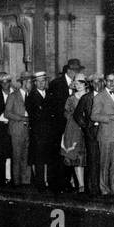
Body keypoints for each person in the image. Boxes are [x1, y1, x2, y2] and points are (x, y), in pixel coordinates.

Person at [46, 59, 84, 188]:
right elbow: (51, 107)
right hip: (59, 125)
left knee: (72, 153)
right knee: (60, 154)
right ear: (68, 70)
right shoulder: (56, 84)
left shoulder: (78, 84)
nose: (77, 73)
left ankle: (71, 181)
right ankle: (58, 183)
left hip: (73, 126)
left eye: (78, 71)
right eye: (75, 70)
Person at [91, 72, 114, 195]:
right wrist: (110, 117)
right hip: (105, 134)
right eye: (109, 80)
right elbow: (93, 116)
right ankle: (103, 188)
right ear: (105, 82)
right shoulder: (99, 97)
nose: (111, 83)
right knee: (104, 163)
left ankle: (113, 187)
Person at [60, 75, 88, 192]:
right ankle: (81, 184)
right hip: (75, 129)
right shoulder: (71, 99)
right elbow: (65, 114)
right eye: (76, 83)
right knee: (77, 156)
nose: (78, 85)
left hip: (88, 129)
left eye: (81, 82)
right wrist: (74, 119)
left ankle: (82, 181)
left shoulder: (90, 96)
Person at [26, 70, 52, 190]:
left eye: (43, 81)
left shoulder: (48, 94)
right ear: (35, 83)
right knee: (39, 158)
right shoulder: (31, 96)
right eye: (39, 81)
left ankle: (47, 181)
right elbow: (35, 114)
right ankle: (40, 183)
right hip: (38, 132)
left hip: (48, 131)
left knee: (47, 156)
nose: (42, 83)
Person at [5, 75, 30, 186]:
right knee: (16, 156)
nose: (31, 84)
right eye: (30, 82)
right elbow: (7, 113)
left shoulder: (30, 96)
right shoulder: (13, 96)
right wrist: (21, 118)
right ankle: (16, 181)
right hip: (16, 130)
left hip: (27, 130)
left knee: (25, 155)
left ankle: (24, 180)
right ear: (24, 82)